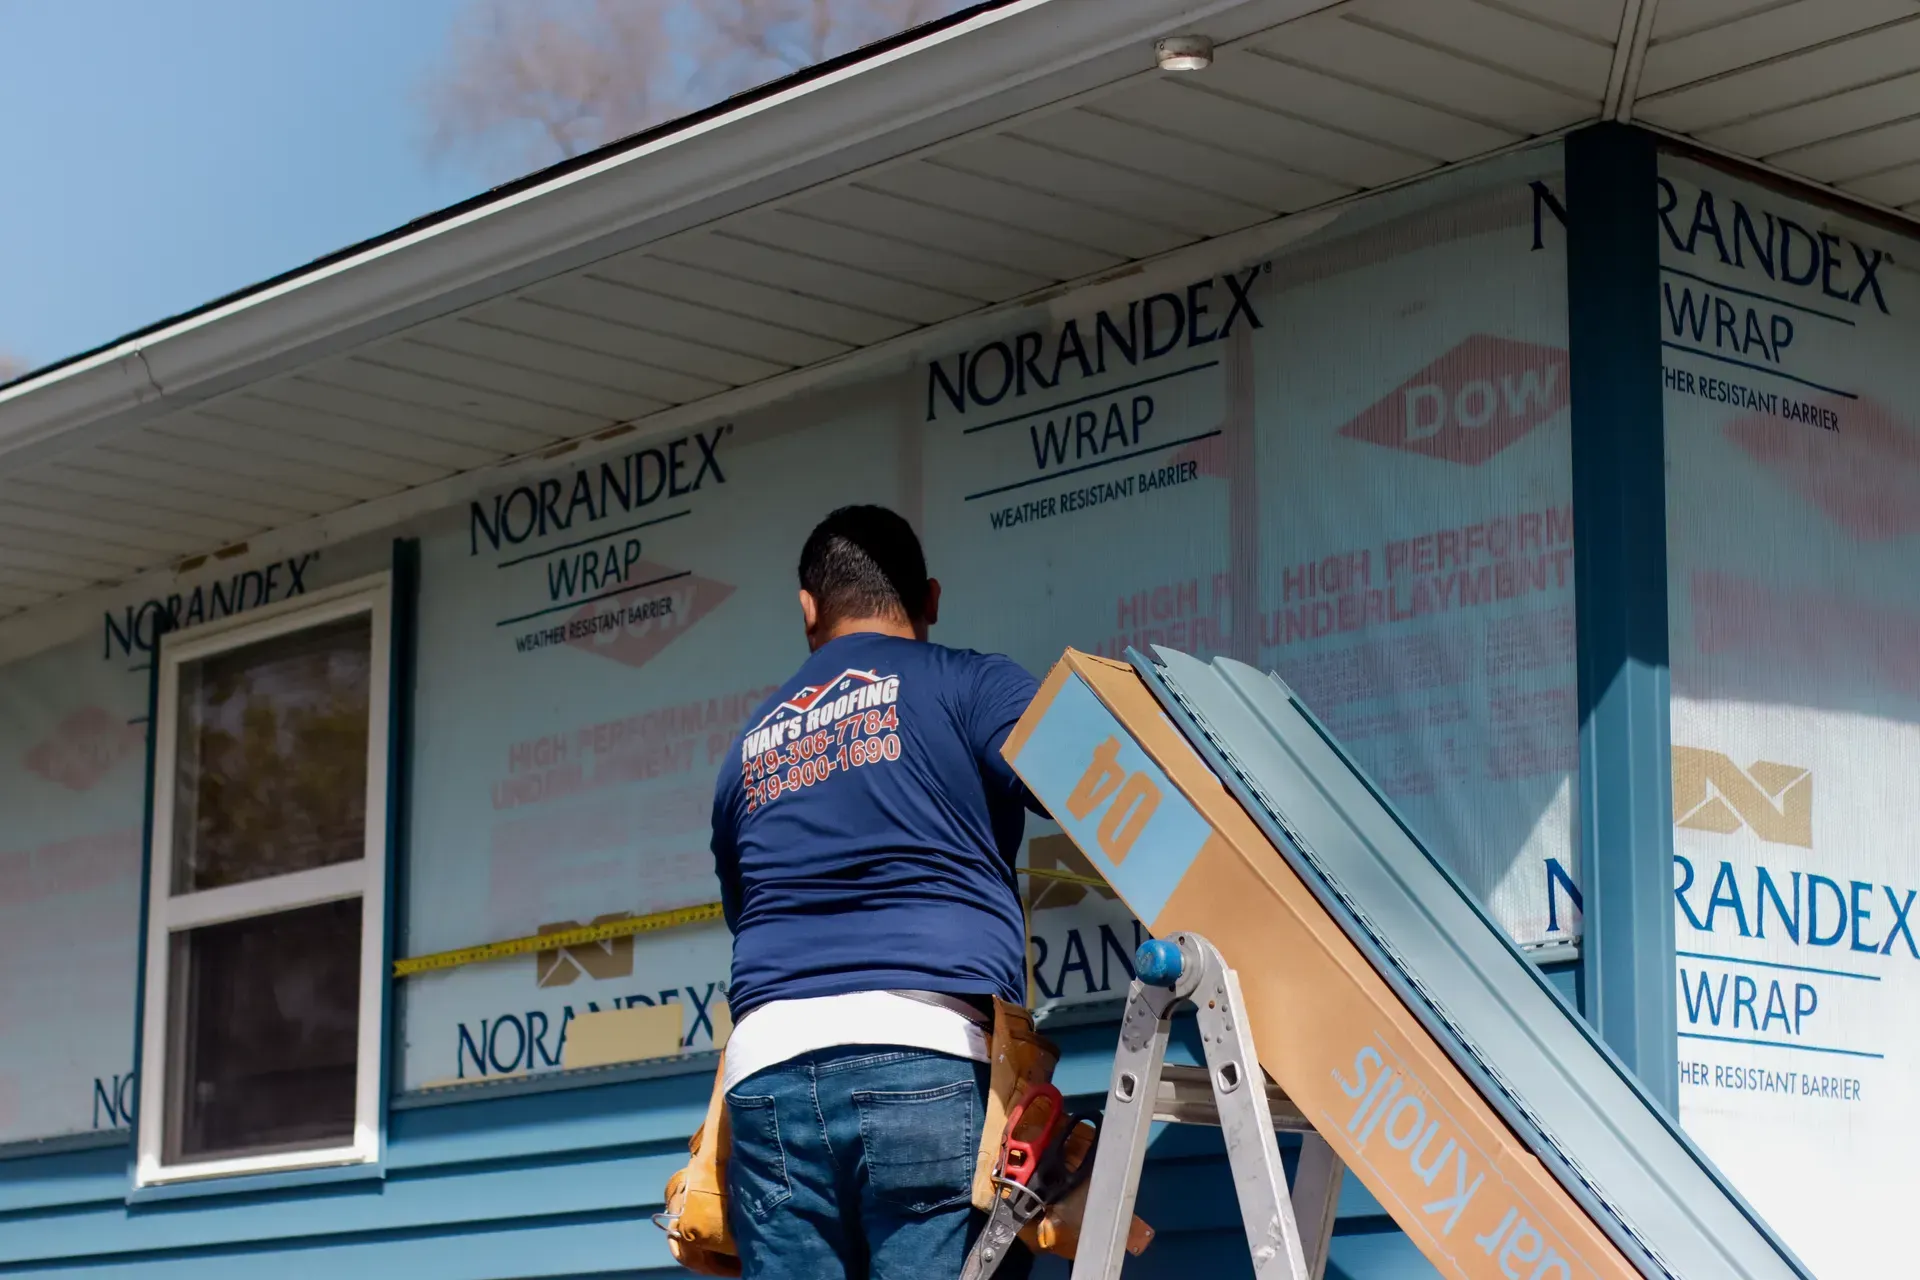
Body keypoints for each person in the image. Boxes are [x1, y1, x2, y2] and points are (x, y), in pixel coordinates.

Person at [709, 504, 1045, 1280]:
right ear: (929, 598)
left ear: (807, 610)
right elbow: (1087, 777)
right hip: (924, 1054)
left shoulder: (749, 746)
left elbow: (745, 910)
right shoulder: (971, 684)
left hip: (769, 1071)